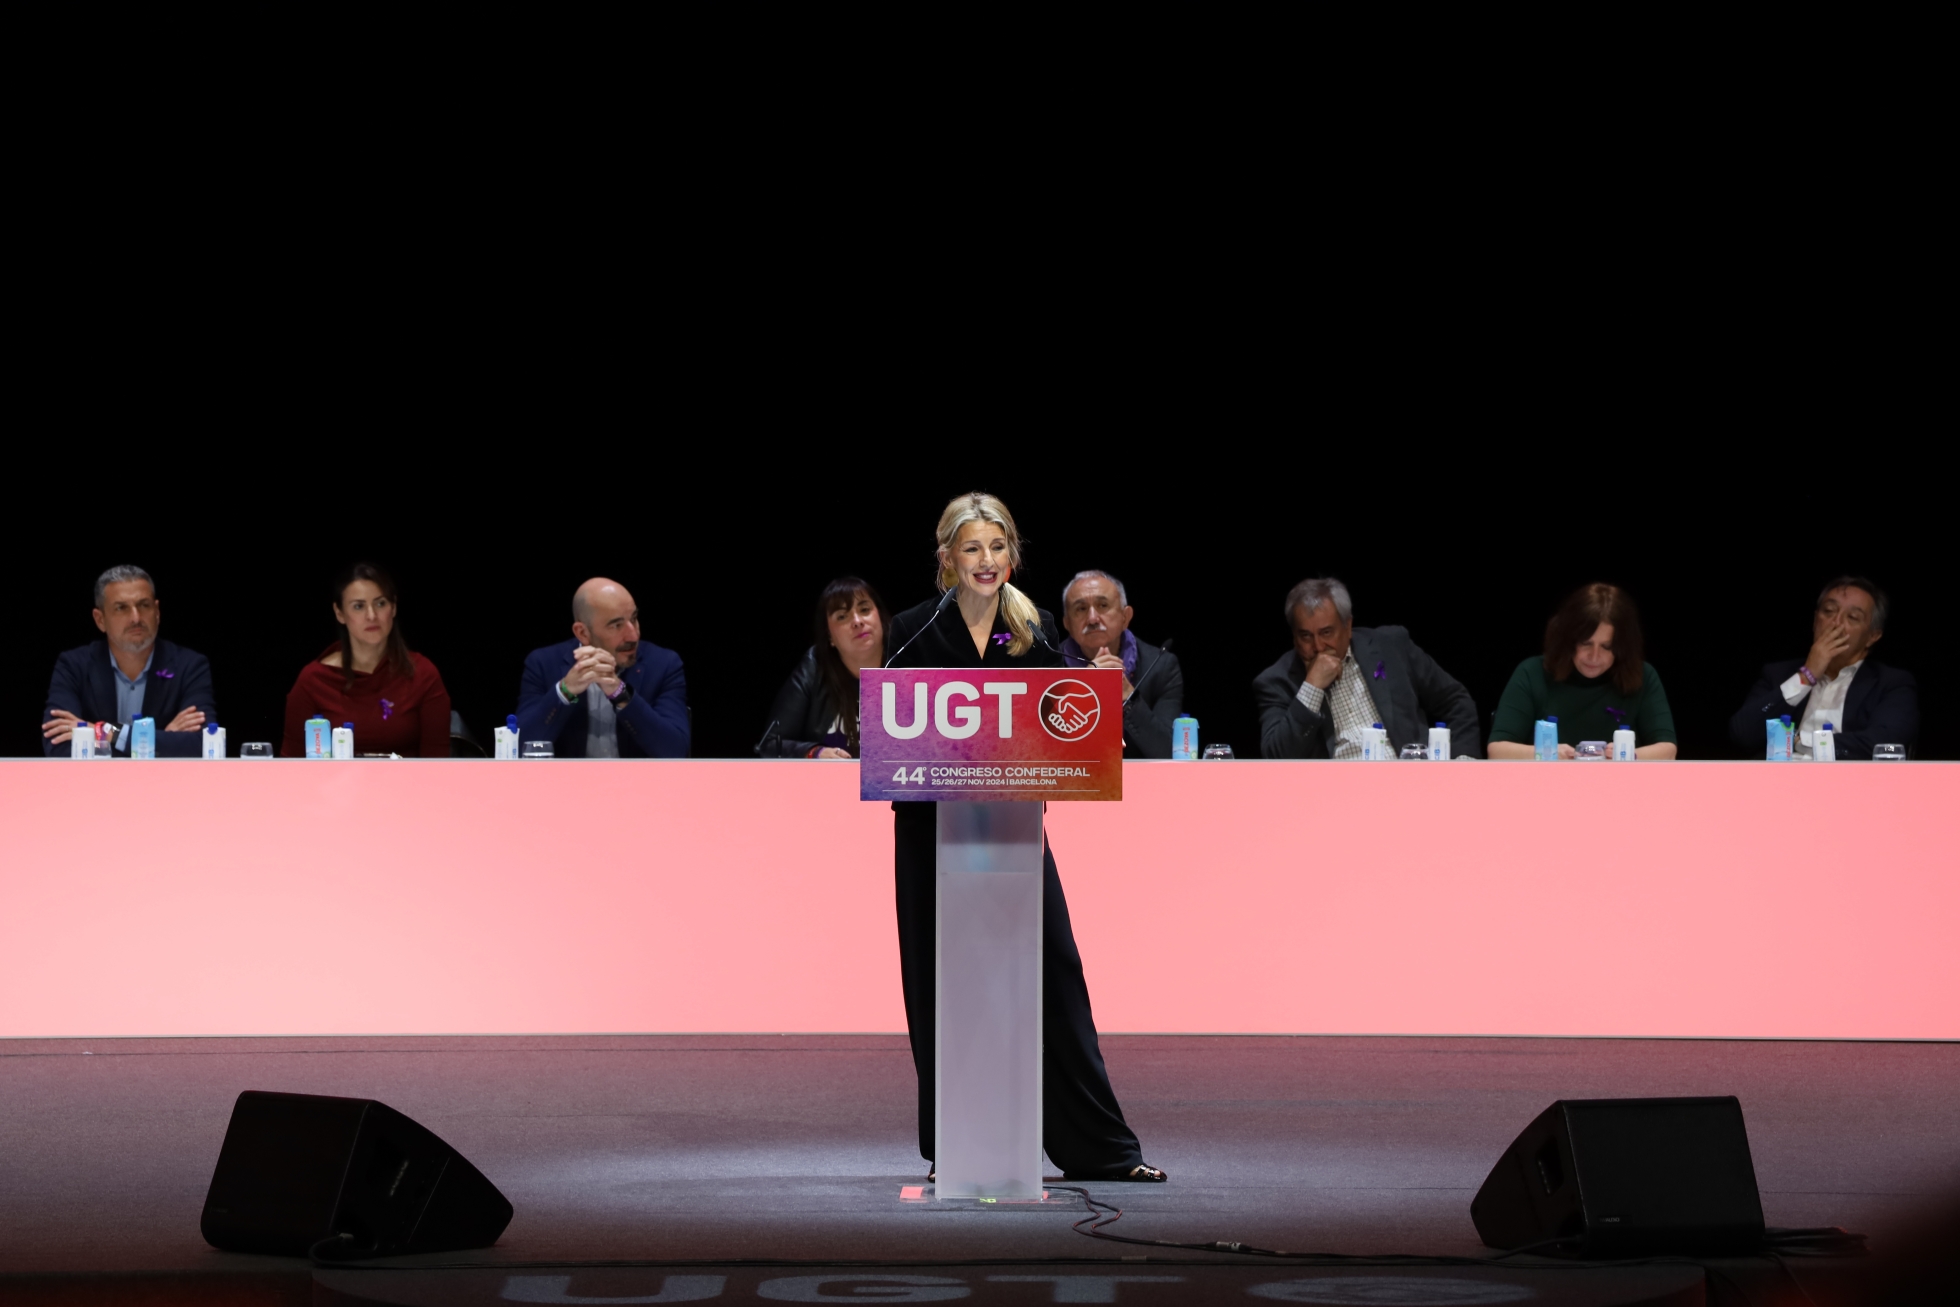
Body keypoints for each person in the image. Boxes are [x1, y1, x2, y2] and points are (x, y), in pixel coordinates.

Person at [883, 492, 1165, 1184]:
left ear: (1012, 554)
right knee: (942, 985)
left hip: (1013, 833)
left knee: (1055, 978)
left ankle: (1102, 1149)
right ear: (947, 557)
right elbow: (892, 725)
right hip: (931, 836)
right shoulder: (913, 628)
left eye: (997, 546)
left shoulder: (1031, 628)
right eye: (971, 548)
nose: (986, 561)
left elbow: (1063, 725)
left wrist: (1099, 696)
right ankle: (958, 1145)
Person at [1254, 577, 1480, 759]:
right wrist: (1311, 687)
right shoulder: (1277, 681)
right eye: (1305, 636)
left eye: (1326, 633)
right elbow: (1276, 756)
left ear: (1348, 626)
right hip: (1335, 792)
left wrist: (1462, 760)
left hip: (1409, 781)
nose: (1318, 647)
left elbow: (1456, 701)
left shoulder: (1391, 646)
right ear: (1293, 637)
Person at [1727, 576, 1918, 760]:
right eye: (1828, 611)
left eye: (1852, 617)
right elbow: (1742, 734)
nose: (1836, 623)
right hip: (1778, 778)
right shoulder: (1777, 674)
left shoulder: (1891, 684)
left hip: (1849, 779)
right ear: (1815, 620)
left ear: (1872, 636)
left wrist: (1805, 742)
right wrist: (1806, 676)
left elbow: (1888, 744)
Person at [42, 565, 217, 757]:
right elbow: (59, 746)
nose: (136, 618)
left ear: (157, 612)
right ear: (100, 620)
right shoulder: (73, 666)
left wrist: (105, 732)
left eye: (144, 605)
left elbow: (203, 744)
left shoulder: (190, 666)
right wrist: (158, 741)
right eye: (121, 608)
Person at [1488, 583, 1678, 759]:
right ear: (1568, 639)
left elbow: (1667, 750)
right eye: (1586, 643)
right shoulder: (1532, 673)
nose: (1594, 657)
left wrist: (1627, 755)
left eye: (1606, 646)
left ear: (1622, 648)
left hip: (1621, 782)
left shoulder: (1643, 676)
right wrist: (1548, 753)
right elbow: (1497, 750)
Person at [281, 563, 452, 758]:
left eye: (380, 604)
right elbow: (290, 764)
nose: (372, 616)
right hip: (333, 779)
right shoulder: (313, 681)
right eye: (358, 606)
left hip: (408, 778)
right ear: (339, 613)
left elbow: (438, 763)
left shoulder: (422, 674)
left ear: (393, 607)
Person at [514, 577, 689, 759]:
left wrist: (620, 693)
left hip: (637, 778)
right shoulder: (543, 664)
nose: (633, 635)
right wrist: (564, 692)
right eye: (616, 625)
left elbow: (676, 751)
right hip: (567, 778)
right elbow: (518, 748)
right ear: (582, 632)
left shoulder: (664, 664)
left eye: (634, 619)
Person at [1059, 570, 1184, 759]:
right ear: (1067, 623)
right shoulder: (1045, 667)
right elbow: (1035, 753)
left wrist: (1127, 696)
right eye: (1081, 609)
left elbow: (1168, 752)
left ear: (1125, 617)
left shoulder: (1161, 667)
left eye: (1103, 606)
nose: (1092, 619)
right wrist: (1083, 687)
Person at [758, 577, 889, 758]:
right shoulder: (815, 667)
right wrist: (815, 753)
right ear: (829, 637)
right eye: (842, 616)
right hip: (832, 777)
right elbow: (770, 744)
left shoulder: (911, 661)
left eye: (865, 610)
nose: (857, 621)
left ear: (880, 616)